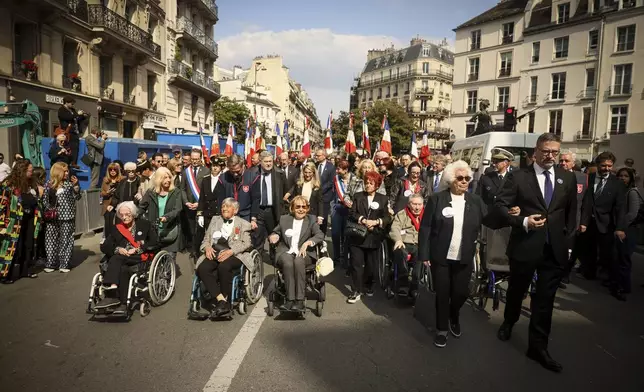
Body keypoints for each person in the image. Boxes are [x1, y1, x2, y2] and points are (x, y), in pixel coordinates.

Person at [494, 133, 577, 373]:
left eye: (555, 151)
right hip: (525, 246)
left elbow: (571, 212)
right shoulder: (518, 176)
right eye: (546, 151)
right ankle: (509, 321)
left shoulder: (567, 178)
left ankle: (538, 347)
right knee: (517, 290)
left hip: (554, 249)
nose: (550, 155)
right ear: (536, 152)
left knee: (545, 301)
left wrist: (568, 242)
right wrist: (522, 221)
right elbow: (500, 206)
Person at [418, 161, 486, 347]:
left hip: (464, 256)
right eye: (460, 178)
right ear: (450, 180)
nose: (465, 182)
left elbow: (491, 219)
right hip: (441, 256)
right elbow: (425, 228)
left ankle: (453, 314)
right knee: (442, 293)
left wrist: (516, 217)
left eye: (467, 178)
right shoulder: (437, 199)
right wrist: (424, 254)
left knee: (461, 293)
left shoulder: (476, 201)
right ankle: (442, 329)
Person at [96, 201, 158, 309]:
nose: (124, 218)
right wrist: (117, 249)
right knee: (123, 269)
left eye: (127, 214)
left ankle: (112, 289)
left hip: (139, 256)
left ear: (133, 213)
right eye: (121, 215)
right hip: (122, 258)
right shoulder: (116, 228)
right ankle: (123, 304)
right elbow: (105, 246)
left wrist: (137, 249)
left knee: (116, 259)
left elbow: (154, 243)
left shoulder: (144, 225)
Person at [198, 198, 253, 317]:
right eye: (223, 206)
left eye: (228, 207)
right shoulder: (215, 220)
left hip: (235, 254)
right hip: (215, 251)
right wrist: (207, 247)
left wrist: (231, 251)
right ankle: (221, 300)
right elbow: (206, 239)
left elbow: (247, 243)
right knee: (202, 268)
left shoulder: (243, 224)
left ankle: (226, 298)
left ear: (236, 210)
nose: (224, 209)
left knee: (224, 266)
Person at [269, 196, 325, 311]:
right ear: (292, 208)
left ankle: (299, 300)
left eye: (304, 207)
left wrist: (308, 242)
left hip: (304, 253)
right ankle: (290, 300)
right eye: (297, 207)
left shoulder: (311, 220)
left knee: (298, 261)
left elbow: (320, 235)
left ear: (307, 208)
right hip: (286, 251)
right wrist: (274, 236)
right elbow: (275, 231)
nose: (301, 209)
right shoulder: (284, 219)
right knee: (288, 263)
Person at [579, 151, 626, 280]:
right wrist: (583, 221)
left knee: (607, 252)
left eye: (609, 166)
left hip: (606, 224)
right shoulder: (589, 177)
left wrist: (620, 228)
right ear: (598, 164)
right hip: (589, 222)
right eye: (604, 165)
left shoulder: (617, 183)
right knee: (588, 249)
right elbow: (586, 202)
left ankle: (607, 274)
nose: (606, 169)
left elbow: (620, 208)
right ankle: (589, 272)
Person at [346, 171, 392, 304]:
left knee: (371, 265)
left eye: (371, 183)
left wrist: (377, 222)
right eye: (366, 183)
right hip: (358, 235)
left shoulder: (383, 199)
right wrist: (362, 219)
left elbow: (387, 217)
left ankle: (368, 285)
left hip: (373, 236)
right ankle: (356, 290)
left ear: (377, 185)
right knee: (356, 264)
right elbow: (352, 213)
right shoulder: (358, 196)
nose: (368, 185)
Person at [0, 160, 42, 282]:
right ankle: (6, 275)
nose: (32, 172)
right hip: (13, 220)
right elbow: (2, 204)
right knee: (12, 247)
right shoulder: (8, 184)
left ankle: (26, 270)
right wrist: (2, 224)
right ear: (22, 171)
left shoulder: (31, 183)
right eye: (30, 170)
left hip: (29, 218)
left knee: (28, 245)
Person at [43, 162, 81, 273]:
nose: (67, 173)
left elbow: (77, 197)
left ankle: (64, 263)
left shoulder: (69, 185)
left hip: (67, 216)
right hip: (52, 217)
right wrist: (50, 210)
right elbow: (44, 200)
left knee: (66, 240)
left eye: (67, 171)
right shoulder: (49, 184)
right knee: (50, 240)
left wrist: (76, 186)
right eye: (65, 171)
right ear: (58, 172)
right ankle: (51, 263)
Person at [610, 167, 641, 301]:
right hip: (621, 229)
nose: (622, 178)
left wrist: (620, 227)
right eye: (620, 176)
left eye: (626, 176)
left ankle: (622, 287)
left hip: (628, 230)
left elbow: (632, 213)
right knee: (619, 258)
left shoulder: (632, 192)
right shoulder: (620, 191)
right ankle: (619, 284)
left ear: (631, 178)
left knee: (623, 260)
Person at [559, 151, 588, 286]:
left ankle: (565, 274)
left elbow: (586, 202)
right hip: (557, 220)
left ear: (573, 163)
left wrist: (583, 222)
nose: (563, 163)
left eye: (566, 161)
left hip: (574, 221)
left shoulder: (583, 178)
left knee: (570, 251)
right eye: (561, 160)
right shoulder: (553, 175)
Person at [139, 167, 183, 257]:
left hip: (170, 231)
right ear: (158, 179)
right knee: (153, 260)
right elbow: (141, 207)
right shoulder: (151, 192)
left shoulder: (176, 192)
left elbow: (177, 209)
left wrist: (166, 217)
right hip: (154, 231)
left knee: (169, 259)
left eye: (169, 177)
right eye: (164, 178)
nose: (168, 180)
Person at [389, 193, 424, 298]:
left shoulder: (426, 215)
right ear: (409, 204)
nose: (417, 207)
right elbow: (395, 228)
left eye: (419, 204)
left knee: (422, 255)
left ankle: (415, 285)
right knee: (400, 252)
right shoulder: (402, 214)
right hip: (404, 242)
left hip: (419, 243)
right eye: (414, 204)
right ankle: (403, 284)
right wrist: (398, 240)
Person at [252, 151, 287, 250]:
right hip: (258, 210)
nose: (268, 164)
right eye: (266, 161)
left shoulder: (280, 174)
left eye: (270, 161)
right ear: (260, 161)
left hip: (273, 210)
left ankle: (274, 258)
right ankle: (257, 260)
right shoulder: (253, 173)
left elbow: (284, 191)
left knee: (274, 237)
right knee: (257, 237)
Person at [196, 155, 233, 249]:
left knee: (219, 237)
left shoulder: (225, 180)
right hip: (208, 213)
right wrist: (200, 214)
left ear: (221, 167)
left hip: (219, 213)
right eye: (213, 166)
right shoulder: (205, 179)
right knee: (207, 236)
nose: (215, 168)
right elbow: (202, 199)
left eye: (217, 166)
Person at [180, 150, 209, 262]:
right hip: (189, 206)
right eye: (193, 159)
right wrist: (186, 202)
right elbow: (182, 189)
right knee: (192, 230)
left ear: (200, 158)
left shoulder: (206, 171)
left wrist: (199, 203)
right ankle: (193, 249)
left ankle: (199, 250)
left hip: (201, 206)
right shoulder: (186, 172)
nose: (195, 161)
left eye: (197, 159)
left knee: (200, 229)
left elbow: (206, 190)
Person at [331, 159, 354, 271]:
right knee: (335, 234)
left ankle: (346, 259)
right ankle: (336, 258)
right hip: (337, 209)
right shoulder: (336, 179)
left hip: (350, 210)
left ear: (345, 170)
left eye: (339, 168)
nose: (337, 170)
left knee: (347, 235)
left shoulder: (354, 179)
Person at [57, 96, 88, 167]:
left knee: (75, 147)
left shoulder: (73, 110)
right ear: (66, 102)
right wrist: (77, 114)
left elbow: (76, 119)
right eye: (71, 103)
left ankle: (74, 162)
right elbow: (68, 117)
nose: (72, 105)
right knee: (68, 147)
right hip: (67, 131)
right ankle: (69, 162)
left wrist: (83, 116)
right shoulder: (61, 110)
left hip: (75, 131)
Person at [314, 149, 335, 234]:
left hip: (325, 196)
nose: (316, 157)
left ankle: (322, 236)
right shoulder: (314, 165)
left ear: (324, 156)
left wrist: (320, 190)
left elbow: (331, 182)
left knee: (323, 218)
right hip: (315, 196)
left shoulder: (331, 167)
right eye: (316, 155)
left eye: (318, 156)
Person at [100, 163, 122, 237]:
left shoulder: (122, 179)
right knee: (108, 224)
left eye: (114, 169)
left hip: (118, 204)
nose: (112, 171)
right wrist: (107, 193)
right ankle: (108, 240)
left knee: (118, 223)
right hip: (107, 204)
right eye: (110, 170)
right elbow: (101, 193)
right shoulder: (105, 179)